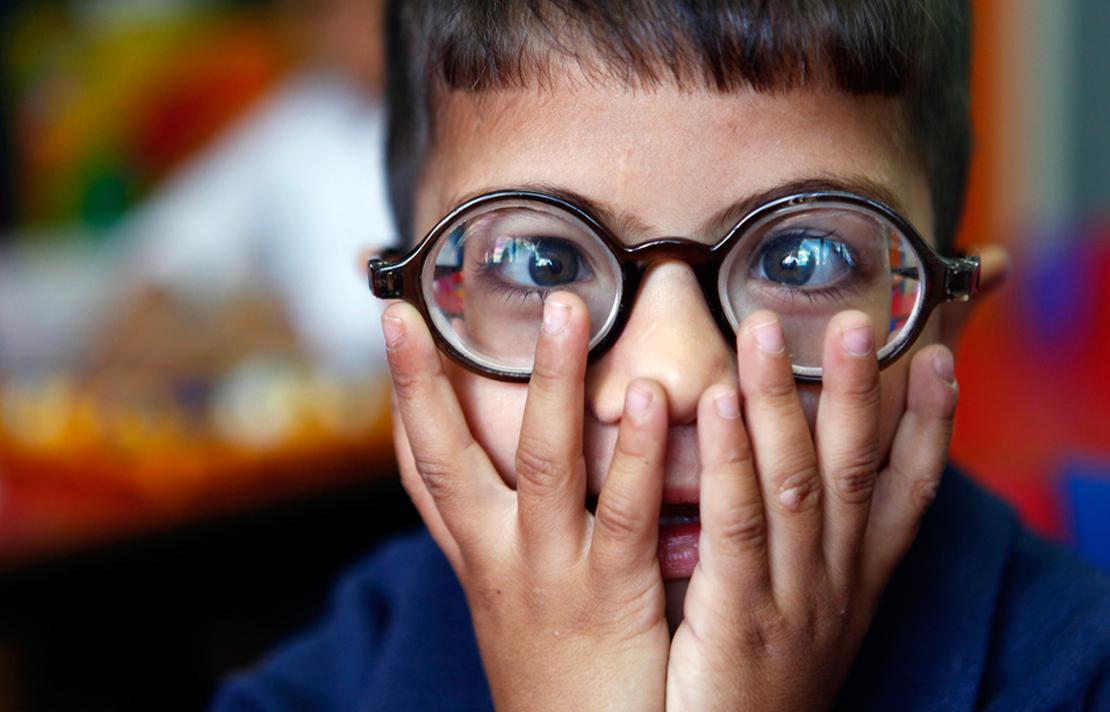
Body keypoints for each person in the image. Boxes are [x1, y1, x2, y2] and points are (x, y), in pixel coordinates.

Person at [212, 1, 1110, 710]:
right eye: (542, 261)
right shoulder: (319, 687)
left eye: (802, 259)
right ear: (407, 326)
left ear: (940, 332)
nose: (673, 378)